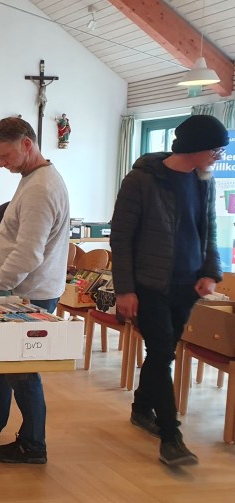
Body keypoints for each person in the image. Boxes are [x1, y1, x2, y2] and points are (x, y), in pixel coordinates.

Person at [111, 114, 227, 467]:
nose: (218, 156)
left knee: (163, 354)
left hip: (187, 285)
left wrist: (211, 271)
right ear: (195, 147)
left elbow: (208, 229)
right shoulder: (142, 180)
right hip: (150, 285)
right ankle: (171, 435)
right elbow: (122, 238)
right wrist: (125, 290)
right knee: (161, 350)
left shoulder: (204, 181)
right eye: (215, 149)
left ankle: (141, 406)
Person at [0, 117, 70, 464]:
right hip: (22, 289)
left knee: (22, 370)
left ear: (27, 144)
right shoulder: (33, 179)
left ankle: (33, 445)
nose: (1, 163)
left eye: (5, 155)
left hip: (29, 292)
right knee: (3, 362)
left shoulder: (40, 187)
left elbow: (28, 252)